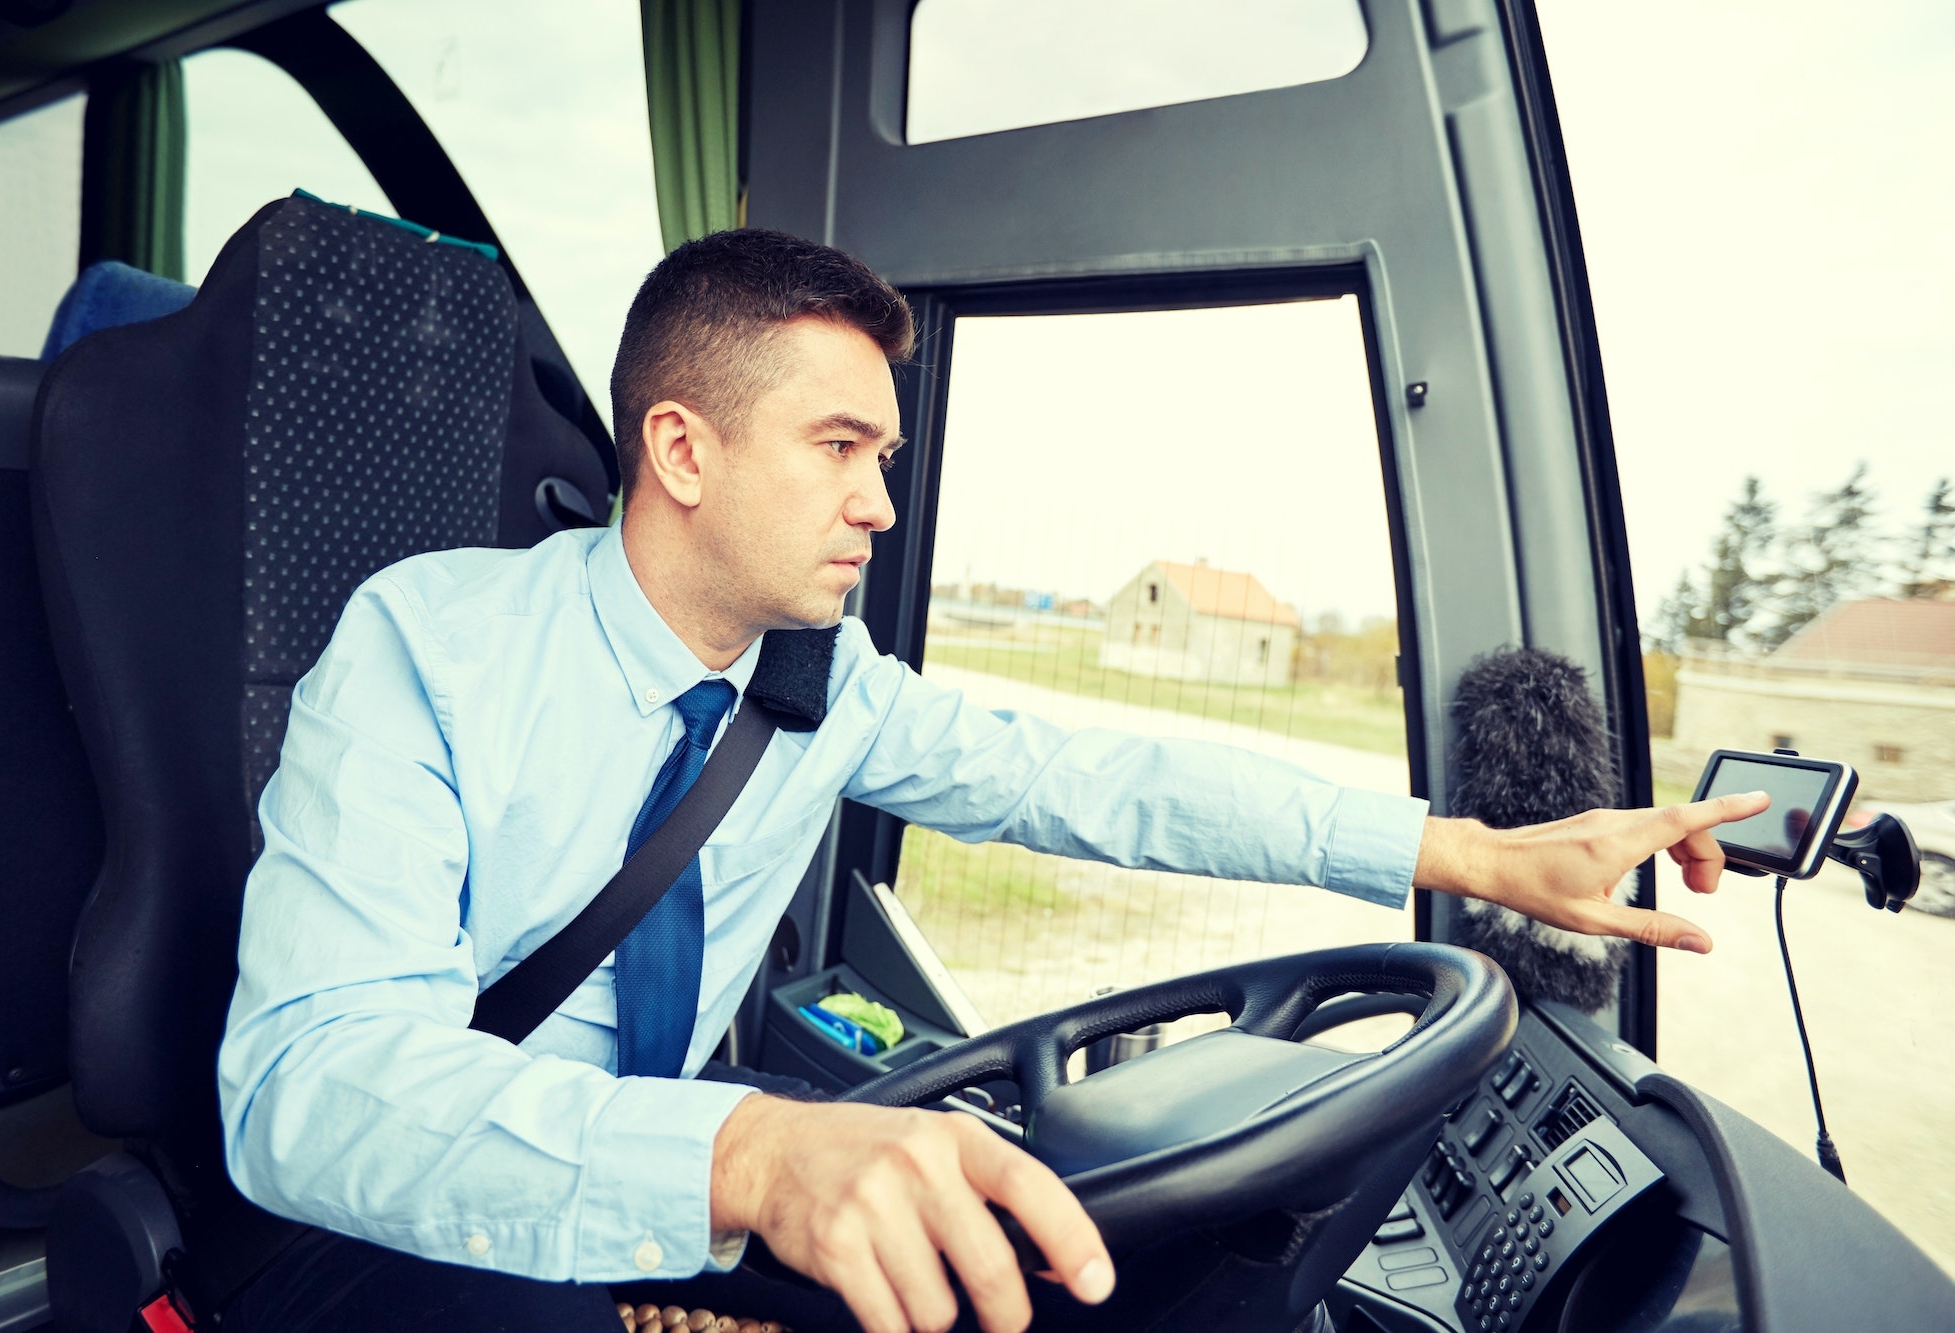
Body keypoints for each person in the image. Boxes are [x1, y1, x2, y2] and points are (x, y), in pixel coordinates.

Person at [217, 229, 1767, 1333]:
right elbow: (308, 1089)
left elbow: (1099, 776)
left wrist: (1462, 852)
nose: (881, 504)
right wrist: (741, 1159)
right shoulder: (424, 646)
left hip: (662, 1172)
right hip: (382, 1215)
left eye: (884, 458)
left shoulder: (819, 691)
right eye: (838, 448)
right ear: (680, 450)